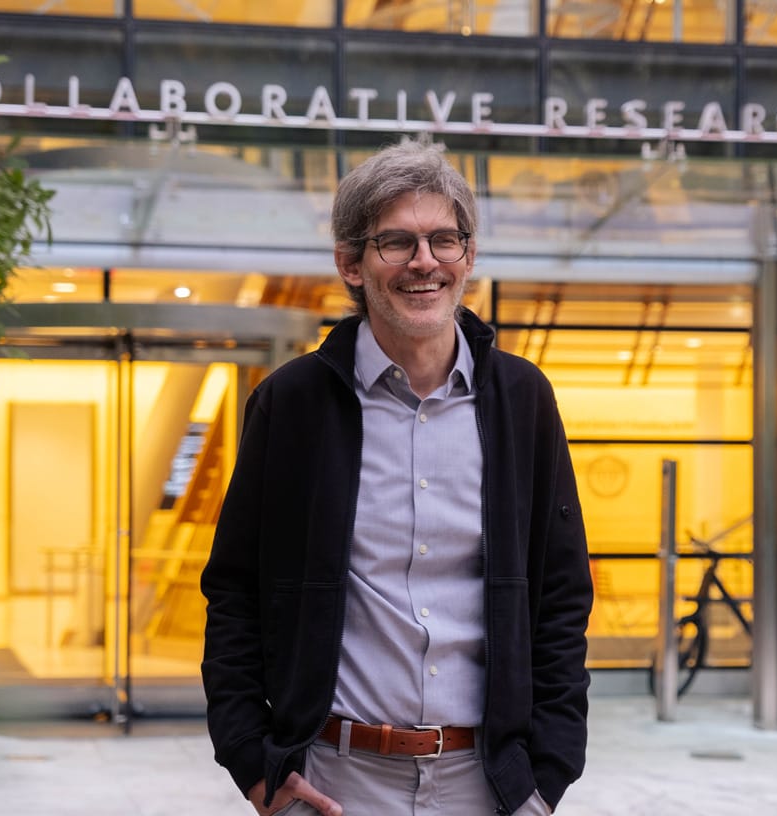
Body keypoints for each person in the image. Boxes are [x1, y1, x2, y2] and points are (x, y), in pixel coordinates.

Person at [200, 138, 593, 816]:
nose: (425, 262)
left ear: (468, 257)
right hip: (331, 782)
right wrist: (255, 764)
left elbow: (561, 595)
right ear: (351, 264)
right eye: (396, 242)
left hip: (489, 786)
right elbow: (234, 591)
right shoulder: (291, 404)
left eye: (446, 240)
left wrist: (546, 776)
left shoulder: (522, 400)